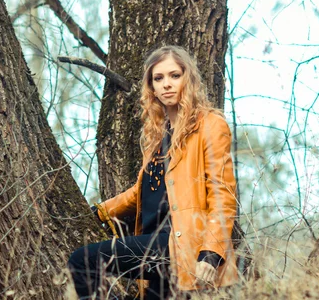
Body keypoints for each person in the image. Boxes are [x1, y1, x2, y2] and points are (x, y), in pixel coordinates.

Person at [68, 45, 238, 299]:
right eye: (158, 79)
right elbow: (143, 191)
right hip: (154, 241)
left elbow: (222, 195)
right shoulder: (158, 136)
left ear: (187, 79)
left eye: (174, 76)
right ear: (151, 87)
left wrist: (211, 253)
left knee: (81, 261)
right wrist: (101, 211)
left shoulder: (210, 125)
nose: (166, 84)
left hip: (180, 243)